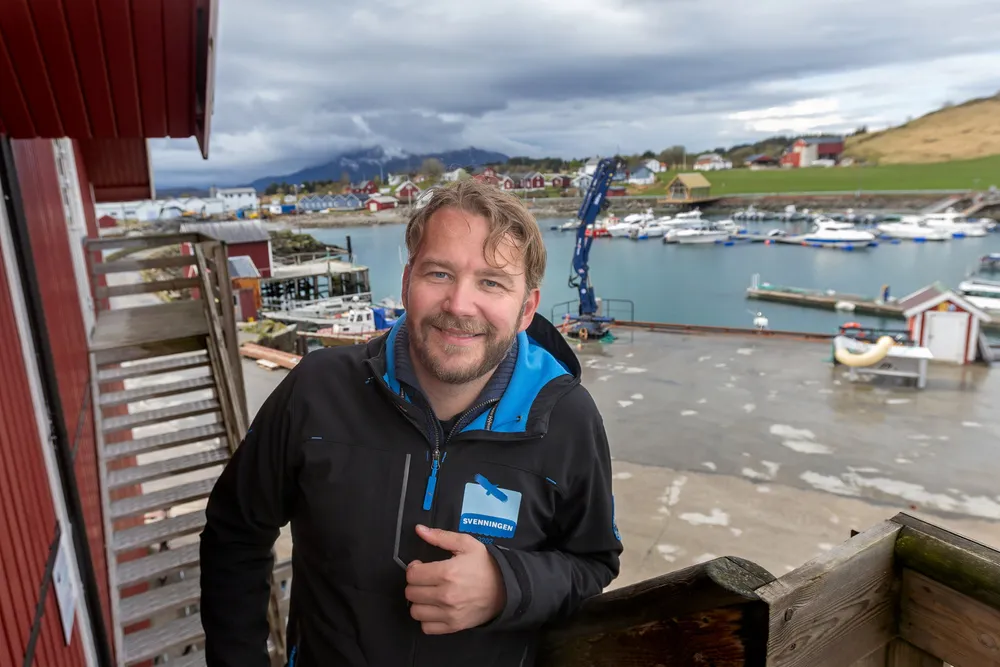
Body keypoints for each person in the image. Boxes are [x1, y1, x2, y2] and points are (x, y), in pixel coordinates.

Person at [199, 179, 622, 667]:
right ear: (406, 283)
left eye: (491, 282)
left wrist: (507, 586)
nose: (459, 305)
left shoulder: (567, 419)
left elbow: (593, 562)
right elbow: (235, 530)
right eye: (439, 273)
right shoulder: (317, 390)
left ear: (526, 308)